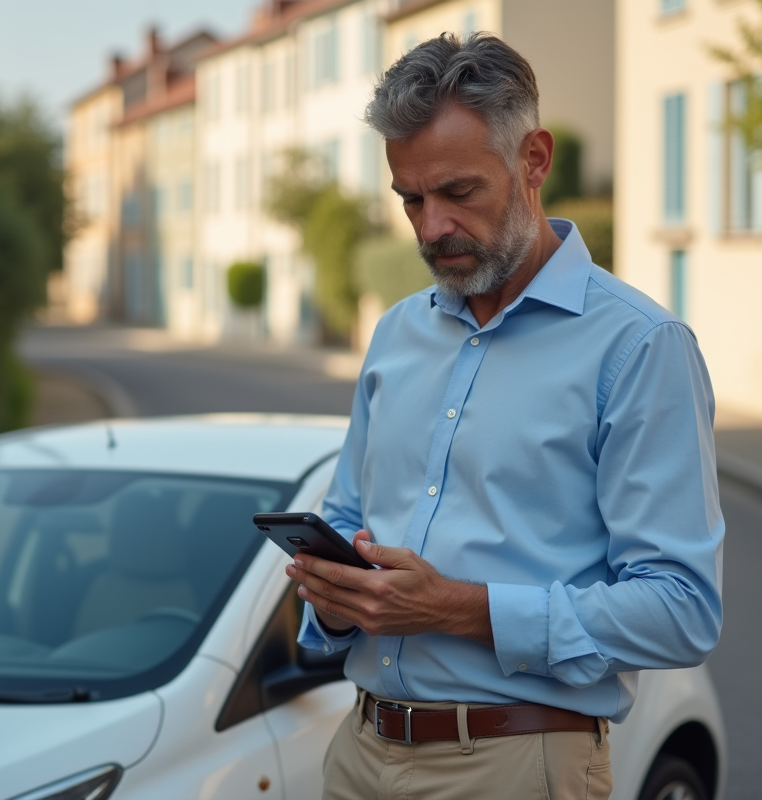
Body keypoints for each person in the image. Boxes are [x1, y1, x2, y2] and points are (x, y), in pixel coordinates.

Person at [285, 33, 723, 800]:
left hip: (517, 764)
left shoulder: (640, 347)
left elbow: (681, 610)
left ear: (534, 160)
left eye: (458, 192)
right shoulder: (394, 335)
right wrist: (337, 594)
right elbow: (350, 516)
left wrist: (459, 608)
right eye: (411, 200)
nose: (429, 229)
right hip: (357, 752)